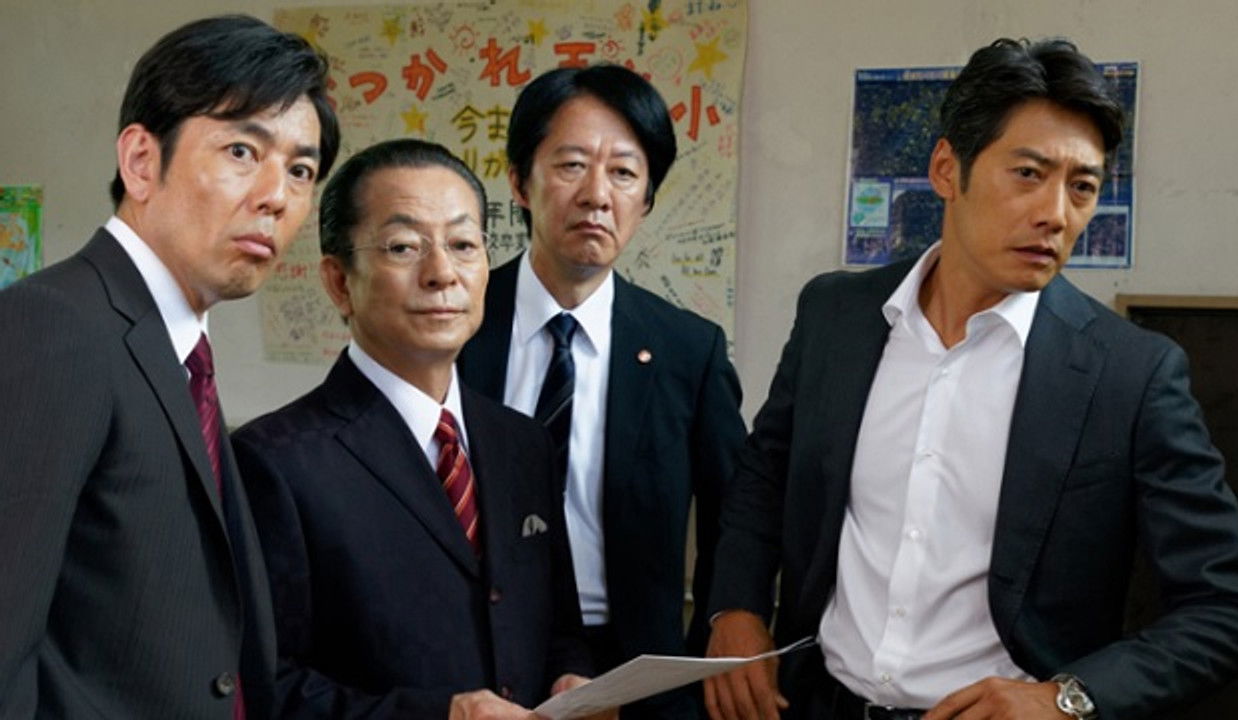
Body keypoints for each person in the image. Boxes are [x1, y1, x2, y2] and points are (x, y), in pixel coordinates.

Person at [704, 38, 1238, 720]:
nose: (1056, 214)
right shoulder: (836, 315)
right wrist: (735, 607)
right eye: (1028, 173)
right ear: (948, 169)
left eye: (1082, 187)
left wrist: (1067, 700)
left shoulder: (1130, 373)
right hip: (817, 701)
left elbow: (1226, 607)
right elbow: (765, 474)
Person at [0, 14, 337, 719]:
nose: (277, 195)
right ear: (141, 161)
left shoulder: (179, 353)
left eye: (300, 170)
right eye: (242, 150)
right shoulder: (52, 326)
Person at [232, 139, 598, 719]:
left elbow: (557, 626)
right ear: (339, 282)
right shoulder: (273, 462)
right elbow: (262, 686)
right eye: (403, 247)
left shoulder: (522, 443)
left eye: (463, 244)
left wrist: (570, 679)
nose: (442, 274)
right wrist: (439, 716)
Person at [458, 63, 746, 719]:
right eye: (571, 165)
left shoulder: (688, 350)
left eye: (623, 173)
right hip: (475, 653)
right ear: (519, 181)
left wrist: (706, 652)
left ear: (646, 200)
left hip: (635, 670)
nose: (597, 195)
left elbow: (734, 519)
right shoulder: (456, 324)